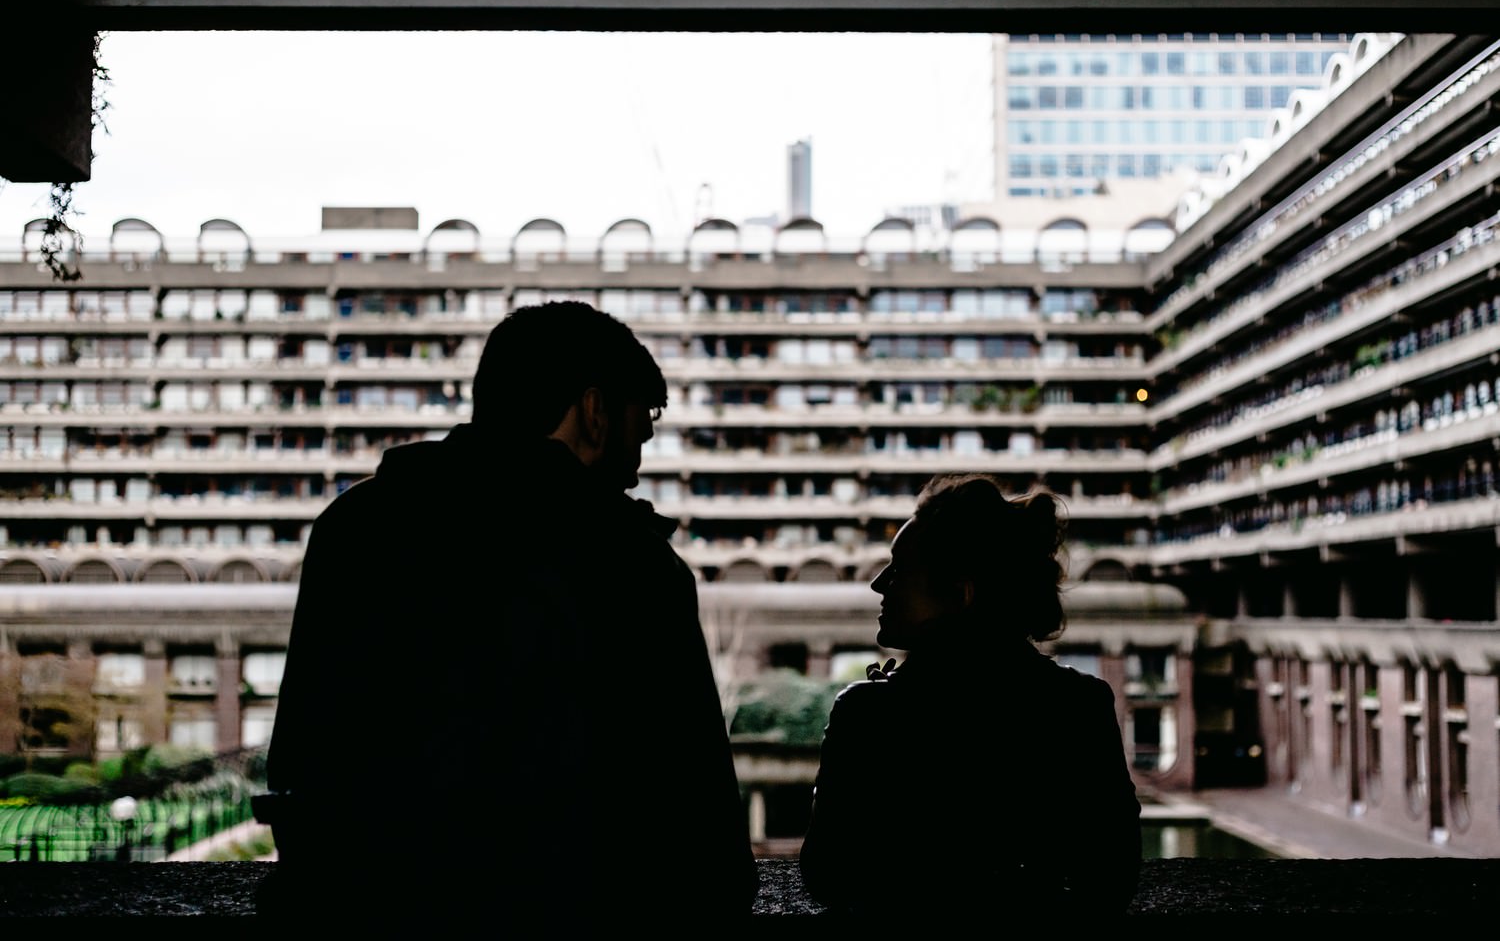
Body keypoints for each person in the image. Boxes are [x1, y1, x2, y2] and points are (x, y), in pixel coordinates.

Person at [259, 301, 757, 922]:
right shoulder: (626, 563)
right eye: (642, 422)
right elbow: (695, 813)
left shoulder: (353, 529)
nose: (642, 451)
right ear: (594, 410)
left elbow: (305, 759)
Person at [799, 474, 1140, 915]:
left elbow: (828, 875)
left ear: (961, 594)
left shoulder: (868, 713)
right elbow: (1112, 878)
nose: (880, 584)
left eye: (901, 568)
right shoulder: (1080, 704)